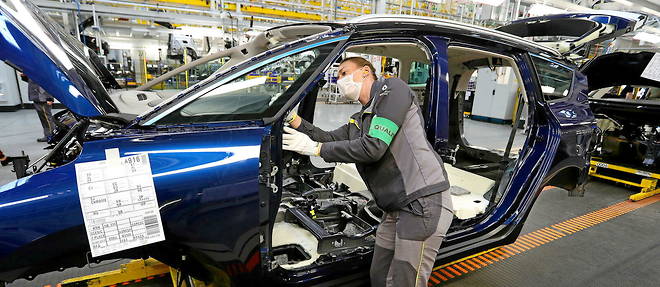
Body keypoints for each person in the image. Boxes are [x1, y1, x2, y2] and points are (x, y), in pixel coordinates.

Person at [283, 57, 453, 287]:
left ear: (365, 71)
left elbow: (374, 148)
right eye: (337, 75)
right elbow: (328, 138)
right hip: (394, 209)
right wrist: (294, 120)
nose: (339, 79)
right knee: (379, 276)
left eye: (344, 73)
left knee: (405, 281)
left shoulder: (393, 89)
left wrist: (316, 149)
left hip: (422, 202)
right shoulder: (360, 120)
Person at [27, 78, 57, 142]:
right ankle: (48, 135)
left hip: (43, 98)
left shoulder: (40, 70)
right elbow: (32, 81)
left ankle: (52, 135)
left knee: (47, 119)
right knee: (43, 119)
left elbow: (48, 83)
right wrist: (24, 76)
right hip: (37, 97)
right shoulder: (33, 70)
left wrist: (49, 98)